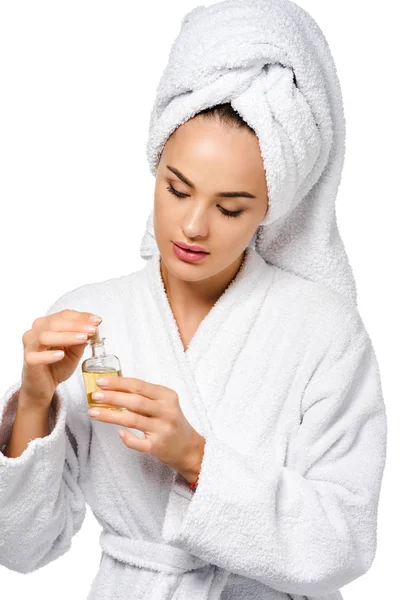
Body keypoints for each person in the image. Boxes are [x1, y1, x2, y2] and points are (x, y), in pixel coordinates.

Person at [0, 1, 387, 599]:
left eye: (231, 208)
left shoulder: (325, 331)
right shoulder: (92, 315)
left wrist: (196, 458)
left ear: (272, 209)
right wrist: (34, 399)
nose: (193, 227)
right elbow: (23, 546)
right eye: (176, 189)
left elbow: (345, 544)